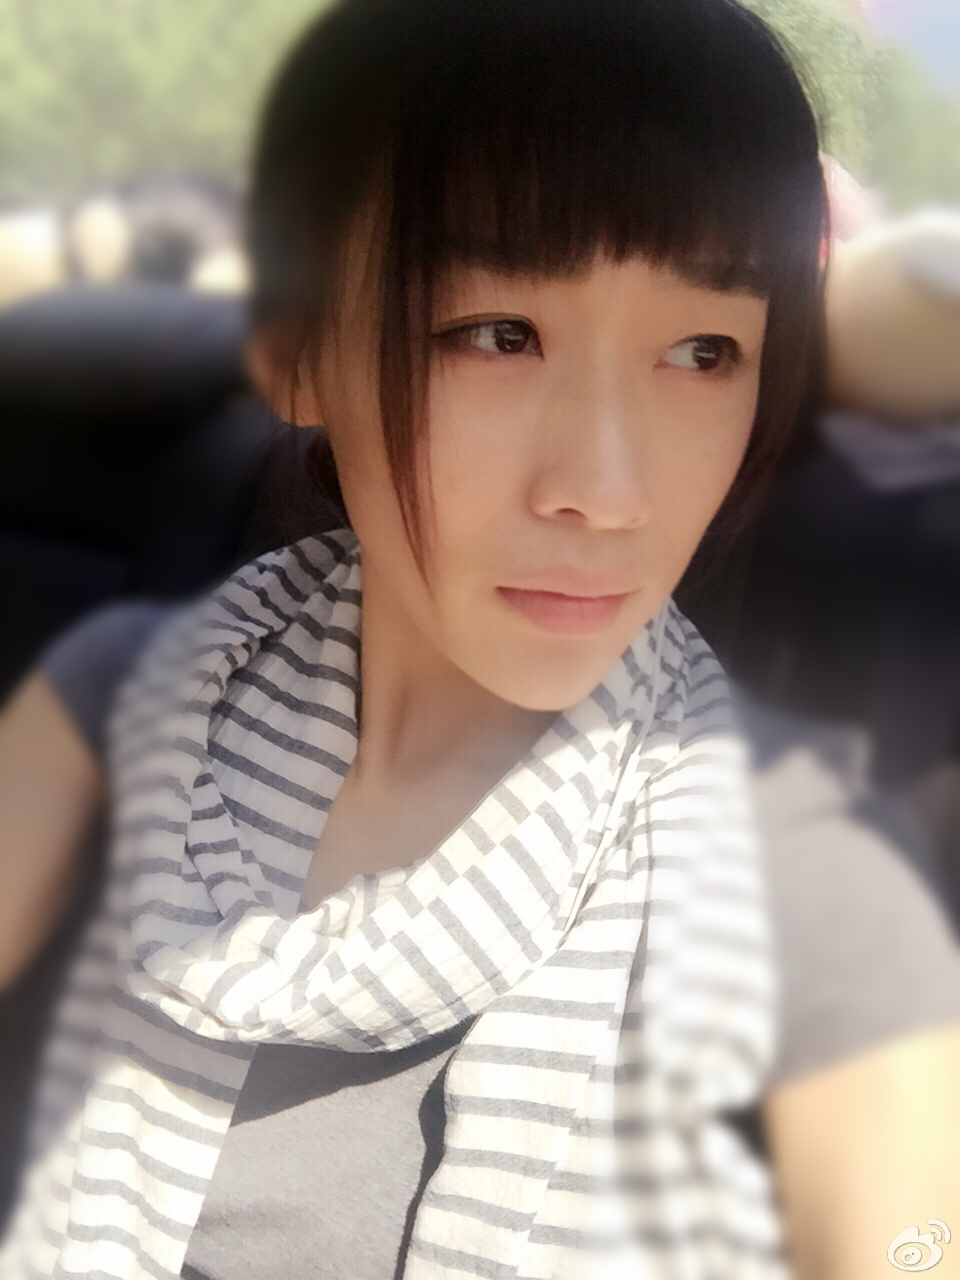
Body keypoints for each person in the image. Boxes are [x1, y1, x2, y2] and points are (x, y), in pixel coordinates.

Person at [1, 1, 959, 1278]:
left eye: (702, 349)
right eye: (499, 334)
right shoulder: (118, 695)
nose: (607, 491)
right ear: (297, 354)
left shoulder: (807, 878)